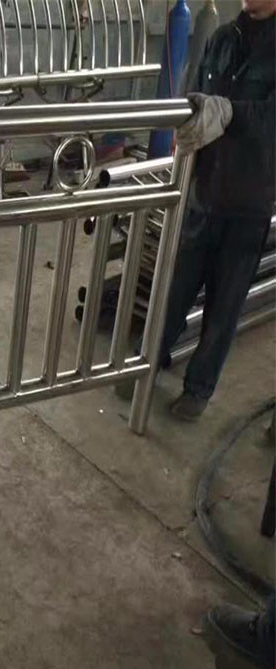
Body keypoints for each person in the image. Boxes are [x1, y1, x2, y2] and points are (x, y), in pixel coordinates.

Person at [145, 0, 275, 420]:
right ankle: (149, 362)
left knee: (224, 306)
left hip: (249, 203)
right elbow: (194, 96)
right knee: (174, 289)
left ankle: (198, 389)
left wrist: (231, 112)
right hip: (205, 193)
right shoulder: (221, 38)